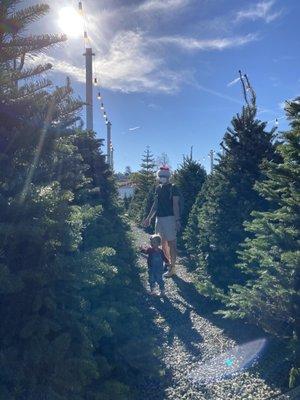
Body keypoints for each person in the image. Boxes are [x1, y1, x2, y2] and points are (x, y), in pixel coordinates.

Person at [143, 166, 181, 277]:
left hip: (170, 218)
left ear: (168, 176)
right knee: (162, 243)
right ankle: (167, 264)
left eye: (164, 176)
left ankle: (173, 268)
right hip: (159, 219)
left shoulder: (173, 188)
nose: (162, 178)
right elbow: (155, 205)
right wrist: (149, 218)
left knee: (172, 244)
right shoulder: (158, 188)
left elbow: (175, 205)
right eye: (160, 176)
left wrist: (177, 220)